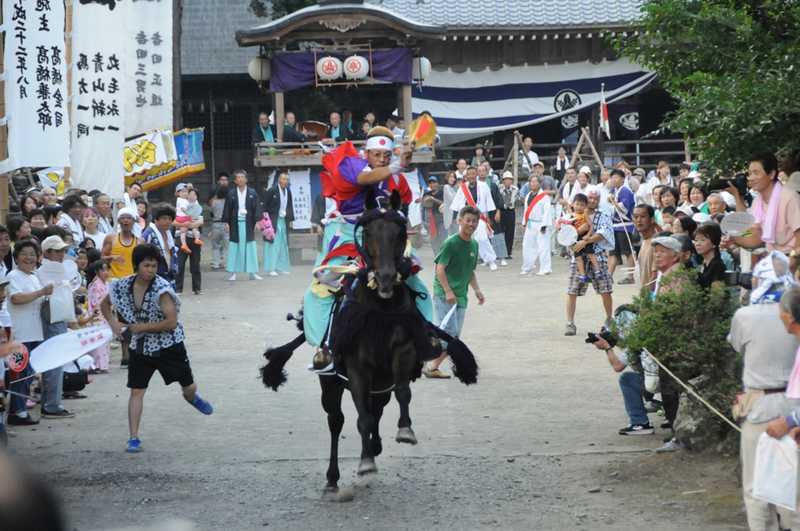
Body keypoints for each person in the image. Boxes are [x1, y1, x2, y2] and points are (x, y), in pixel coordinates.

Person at [303, 126, 431, 370]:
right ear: (366, 152)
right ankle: (326, 344)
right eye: (376, 154)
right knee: (324, 285)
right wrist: (396, 165)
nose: (381, 159)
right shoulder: (352, 163)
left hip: (384, 239)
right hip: (350, 235)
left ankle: (426, 335)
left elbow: (398, 205)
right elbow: (365, 179)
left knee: (414, 280)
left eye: (386, 155)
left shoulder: (395, 177)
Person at [101, 244, 214, 453]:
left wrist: (141, 327)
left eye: (154, 265)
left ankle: (191, 398)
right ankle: (133, 437)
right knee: (136, 390)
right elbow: (104, 305)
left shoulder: (162, 289)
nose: (151, 270)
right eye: (147, 265)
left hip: (169, 344)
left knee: (188, 387)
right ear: (137, 266)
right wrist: (114, 324)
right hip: (141, 346)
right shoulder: (122, 285)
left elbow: (171, 322)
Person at [730, 278, 800, 529]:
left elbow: (736, 345)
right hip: (791, 404)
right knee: (793, 487)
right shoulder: (791, 308)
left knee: (756, 487)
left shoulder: (744, 315)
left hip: (759, 404)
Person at [423, 206, 485, 379]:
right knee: (449, 334)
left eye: (474, 221)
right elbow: (440, 269)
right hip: (445, 295)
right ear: (460, 221)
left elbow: (470, 271)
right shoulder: (451, 243)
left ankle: (432, 366)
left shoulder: (474, 244)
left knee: (453, 335)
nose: (471, 224)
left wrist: (477, 290)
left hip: (461, 297)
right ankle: (427, 361)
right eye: (468, 220)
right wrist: (448, 291)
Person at [6, 240, 52, 426]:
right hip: (20, 334)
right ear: (16, 257)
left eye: (32, 254)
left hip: (35, 333)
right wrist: (41, 292)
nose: (29, 258)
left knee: (28, 374)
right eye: (24, 254)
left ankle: (20, 409)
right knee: (19, 375)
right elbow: (16, 298)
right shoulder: (13, 276)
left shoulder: (34, 277)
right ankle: (17, 412)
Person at [37, 235, 81, 419]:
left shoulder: (58, 269)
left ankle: (51, 402)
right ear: (47, 252)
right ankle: (51, 405)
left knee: (55, 361)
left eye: (63, 250)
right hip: (52, 319)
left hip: (59, 318)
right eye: (58, 251)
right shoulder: (46, 271)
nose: (62, 254)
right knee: (54, 361)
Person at [565, 187, 615, 335]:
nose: (592, 200)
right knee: (572, 290)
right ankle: (570, 322)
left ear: (598, 200)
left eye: (595, 198)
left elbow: (602, 233)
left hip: (597, 255)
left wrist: (584, 242)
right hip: (579, 255)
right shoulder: (572, 216)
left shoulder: (603, 215)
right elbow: (566, 233)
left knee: (605, 289)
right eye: (590, 198)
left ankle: (608, 319)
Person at [729, 152, 800, 255]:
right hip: (772, 260)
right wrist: (735, 237)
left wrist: (792, 263)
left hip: (791, 260)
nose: (751, 178)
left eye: (756, 173)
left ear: (771, 174)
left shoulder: (789, 198)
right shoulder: (757, 202)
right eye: (749, 173)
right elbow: (755, 232)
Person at [590, 330, 654, 435]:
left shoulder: (635, 343)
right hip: (666, 383)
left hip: (658, 386)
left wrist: (607, 347)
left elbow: (617, 366)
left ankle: (640, 422)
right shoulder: (646, 333)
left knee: (627, 379)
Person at [450, 166, 498, 271]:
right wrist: (457, 218)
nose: (471, 176)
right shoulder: (462, 187)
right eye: (469, 174)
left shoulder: (484, 186)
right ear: (466, 176)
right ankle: (464, 262)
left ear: (476, 175)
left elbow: (488, 202)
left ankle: (491, 260)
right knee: (463, 239)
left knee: (482, 238)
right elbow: (456, 204)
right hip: (465, 217)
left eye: (473, 174)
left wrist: (489, 217)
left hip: (479, 216)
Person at [223, 169, 263, 281]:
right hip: (235, 222)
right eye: (238, 177)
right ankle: (233, 273)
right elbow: (227, 209)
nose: (240, 179)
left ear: (246, 179)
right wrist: (226, 222)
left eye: (242, 177)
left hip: (249, 222)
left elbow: (257, 208)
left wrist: (258, 222)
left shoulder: (252, 192)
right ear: (235, 181)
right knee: (234, 247)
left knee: (250, 246)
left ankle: (252, 272)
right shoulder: (231, 193)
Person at [520, 176, 552, 276]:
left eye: (535, 182)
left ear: (539, 183)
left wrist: (544, 225)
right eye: (531, 182)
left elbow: (547, 212)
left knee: (543, 246)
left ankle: (545, 268)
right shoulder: (528, 195)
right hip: (530, 223)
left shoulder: (544, 196)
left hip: (541, 223)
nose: (533, 184)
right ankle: (527, 267)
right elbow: (526, 210)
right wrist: (524, 222)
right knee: (527, 246)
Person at [608, 169, 636, 284]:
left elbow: (624, 208)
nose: (614, 180)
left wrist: (613, 202)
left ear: (623, 179)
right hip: (616, 225)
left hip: (624, 225)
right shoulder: (615, 191)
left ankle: (630, 276)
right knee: (613, 252)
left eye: (616, 177)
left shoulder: (625, 191)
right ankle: (609, 275)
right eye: (612, 177)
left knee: (627, 251)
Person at [263, 171, 294, 276]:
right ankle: (271, 268)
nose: (285, 181)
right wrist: (265, 222)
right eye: (283, 179)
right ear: (279, 180)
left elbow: (289, 206)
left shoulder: (288, 191)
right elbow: (264, 206)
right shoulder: (272, 190)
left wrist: (290, 220)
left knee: (282, 244)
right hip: (273, 221)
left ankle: (280, 267)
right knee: (272, 244)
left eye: (287, 179)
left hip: (283, 220)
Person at [142, 205, 179, 286]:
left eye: (170, 219)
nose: (168, 221)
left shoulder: (168, 234)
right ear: (156, 219)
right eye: (164, 218)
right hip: (153, 278)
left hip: (169, 277)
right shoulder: (148, 234)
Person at [86, 260, 111, 372]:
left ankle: (101, 365)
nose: (105, 272)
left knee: (104, 341)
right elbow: (95, 302)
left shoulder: (106, 283)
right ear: (97, 271)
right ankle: (97, 365)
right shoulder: (95, 285)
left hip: (105, 315)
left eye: (107, 269)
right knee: (98, 343)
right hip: (97, 316)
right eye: (102, 270)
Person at [693, 222, 726, 289]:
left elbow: (717, 294)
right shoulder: (704, 262)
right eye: (696, 240)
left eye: (702, 240)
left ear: (714, 243)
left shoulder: (717, 265)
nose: (697, 244)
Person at [632, 204, 658, 288]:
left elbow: (655, 276)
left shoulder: (657, 243)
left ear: (652, 219)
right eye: (636, 217)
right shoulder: (644, 241)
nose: (639, 220)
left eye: (643, 216)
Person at [174, 183, 202, 254]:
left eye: (186, 191)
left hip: (191, 237)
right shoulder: (182, 201)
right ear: (178, 193)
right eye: (183, 192)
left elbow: (200, 221)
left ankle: (195, 239)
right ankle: (185, 244)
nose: (186, 193)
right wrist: (188, 223)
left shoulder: (195, 204)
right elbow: (173, 222)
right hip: (179, 236)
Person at [422, 175, 446, 254]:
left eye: (434, 182)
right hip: (431, 219)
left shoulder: (442, 193)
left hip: (441, 218)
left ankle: (444, 255)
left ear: (438, 184)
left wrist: (433, 199)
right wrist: (426, 201)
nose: (432, 185)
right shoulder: (427, 194)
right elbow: (425, 204)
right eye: (430, 183)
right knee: (433, 239)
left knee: (443, 238)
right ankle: (437, 256)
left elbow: (444, 204)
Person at [497, 171, 518, 260]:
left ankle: (508, 252)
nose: (508, 181)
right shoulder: (499, 188)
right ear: (503, 181)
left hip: (511, 210)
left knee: (510, 231)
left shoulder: (515, 189)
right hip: (502, 210)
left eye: (510, 180)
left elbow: (516, 199)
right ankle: (500, 252)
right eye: (506, 180)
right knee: (500, 231)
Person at [208, 183, 229, 270]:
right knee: (227, 246)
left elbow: (211, 213)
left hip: (215, 224)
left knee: (215, 245)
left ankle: (216, 263)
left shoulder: (214, 202)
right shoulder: (228, 202)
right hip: (226, 225)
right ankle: (227, 263)